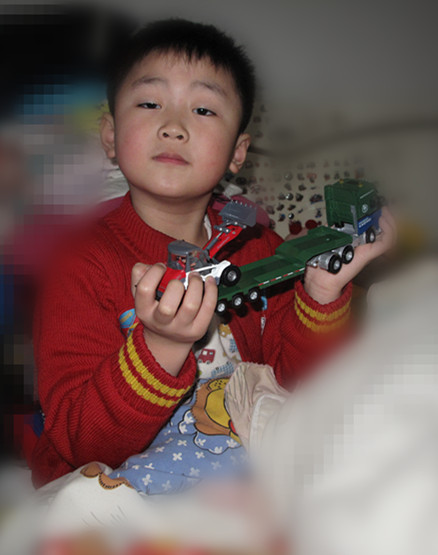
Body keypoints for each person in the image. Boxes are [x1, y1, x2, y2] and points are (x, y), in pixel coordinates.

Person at [31, 19, 395, 488]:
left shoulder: (262, 249)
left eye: (203, 109)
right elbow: (81, 443)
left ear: (237, 154)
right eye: (149, 103)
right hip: (118, 493)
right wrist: (161, 345)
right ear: (110, 136)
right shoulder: (78, 262)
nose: (173, 127)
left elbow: (300, 391)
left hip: (238, 483)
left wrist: (321, 295)